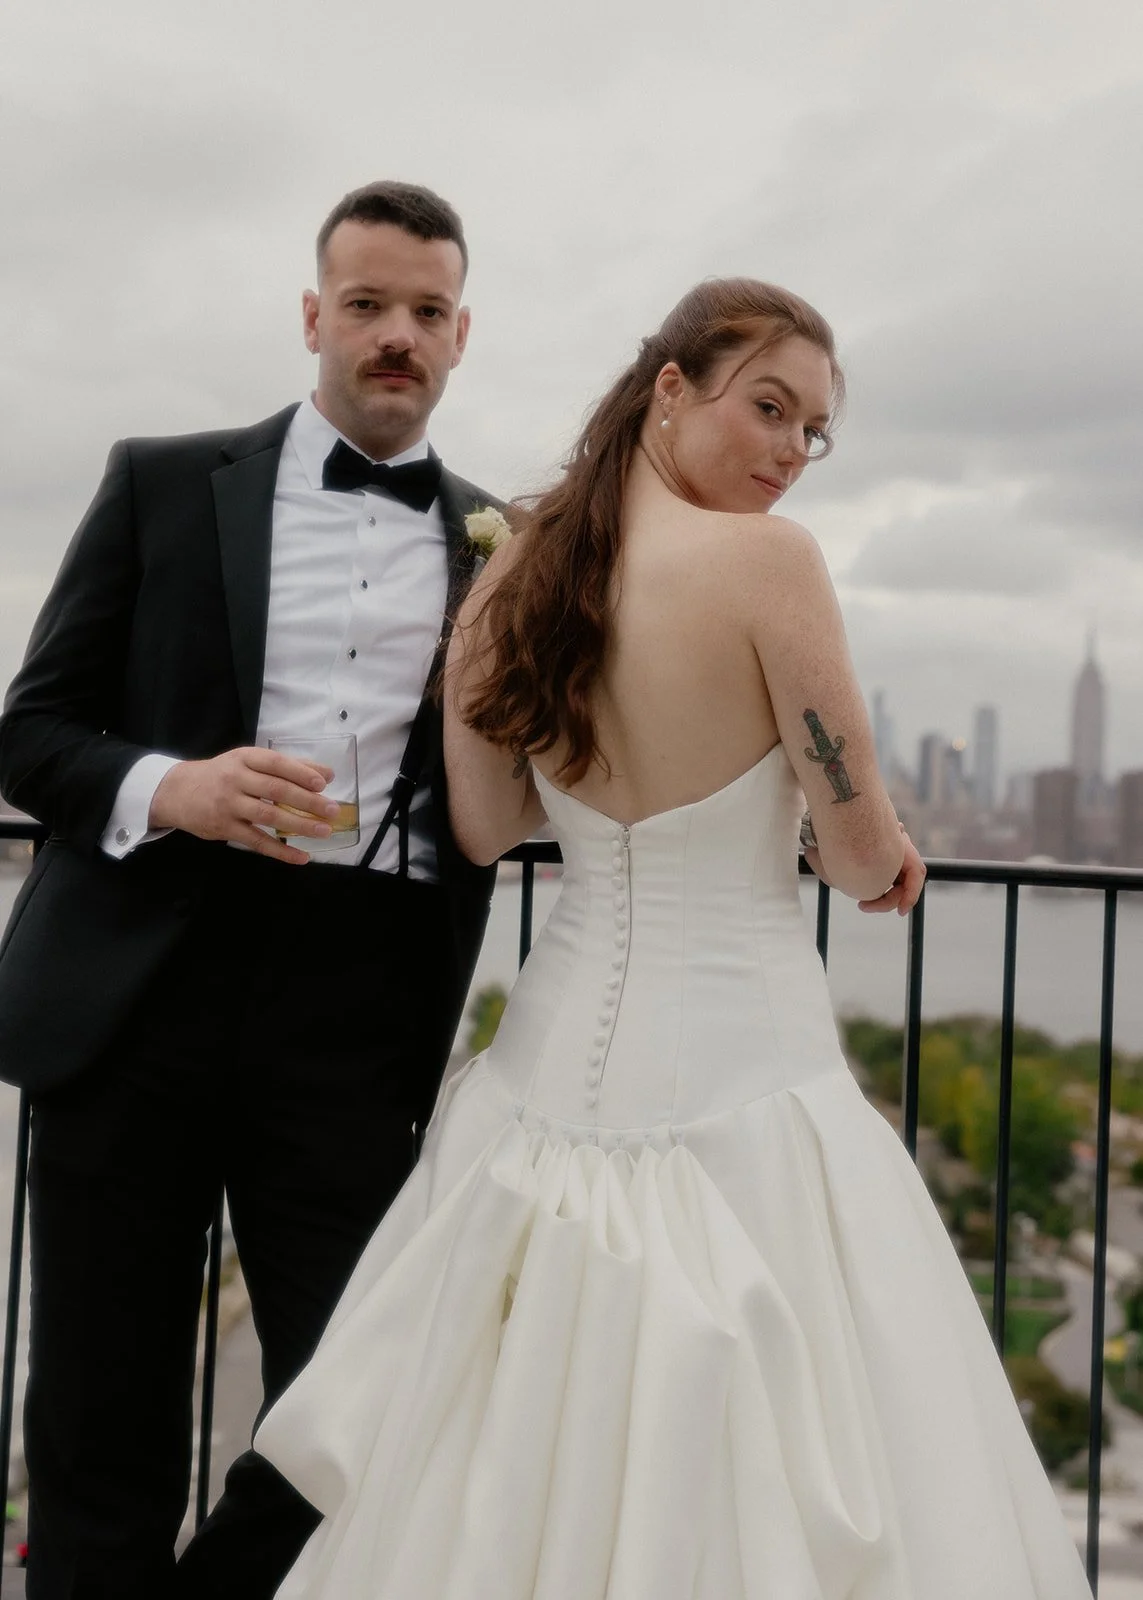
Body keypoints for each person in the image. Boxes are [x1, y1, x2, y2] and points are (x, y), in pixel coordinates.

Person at [255, 279, 1093, 1598]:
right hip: (742, 1093)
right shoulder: (769, 567)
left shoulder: (507, 582)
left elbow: (483, 826)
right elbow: (862, 846)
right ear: (667, 389)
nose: (786, 452)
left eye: (810, 433)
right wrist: (860, 848)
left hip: (538, 1089)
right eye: (768, 406)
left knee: (503, 1460)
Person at [0, 181, 498, 1598]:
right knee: (100, 1416)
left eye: (424, 312)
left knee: (352, 1410)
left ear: (463, 333)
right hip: (136, 996)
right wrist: (178, 788)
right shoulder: (162, 481)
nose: (394, 335)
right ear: (311, 316)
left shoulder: (503, 544)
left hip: (355, 1018)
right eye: (366, 306)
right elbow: (30, 736)